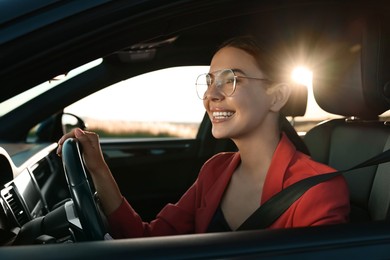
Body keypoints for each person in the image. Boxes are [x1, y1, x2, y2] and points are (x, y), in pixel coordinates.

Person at [57, 35, 350, 239]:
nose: (211, 95)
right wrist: (97, 168)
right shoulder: (215, 171)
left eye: (231, 80)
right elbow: (146, 239)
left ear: (277, 97)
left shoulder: (318, 191)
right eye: (210, 81)